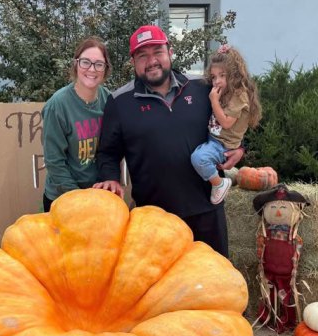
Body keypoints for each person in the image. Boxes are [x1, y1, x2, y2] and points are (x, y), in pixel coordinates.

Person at [92, 25, 246, 257]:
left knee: (213, 286)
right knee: (160, 292)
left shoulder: (202, 88)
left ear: (169, 52)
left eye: (157, 52)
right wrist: (110, 178)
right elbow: (107, 153)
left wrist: (241, 148)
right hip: (154, 220)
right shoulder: (119, 102)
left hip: (206, 211)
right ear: (133, 61)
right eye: (143, 55)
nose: (151, 60)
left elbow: (238, 116)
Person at [41, 36, 112, 212]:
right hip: (63, 197)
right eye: (85, 62)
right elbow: (54, 161)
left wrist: (111, 181)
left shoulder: (109, 100)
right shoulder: (57, 105)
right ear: (76, 64)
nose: (92, 69)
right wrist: (79, 199)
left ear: (105, 69)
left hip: (97, 195)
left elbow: (113, 149)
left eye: (99, 64)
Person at [190, 45, 262, 205]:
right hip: (215, 139)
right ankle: (222, 176)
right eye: (214, 77)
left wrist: (214, 101)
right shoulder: (224, 91)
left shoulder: (239, 96)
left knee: (198, 159)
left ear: (235, 75)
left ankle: (220, 184)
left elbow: (226, 123)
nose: (217, 81)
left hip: (223, 146)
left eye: (222, 75)